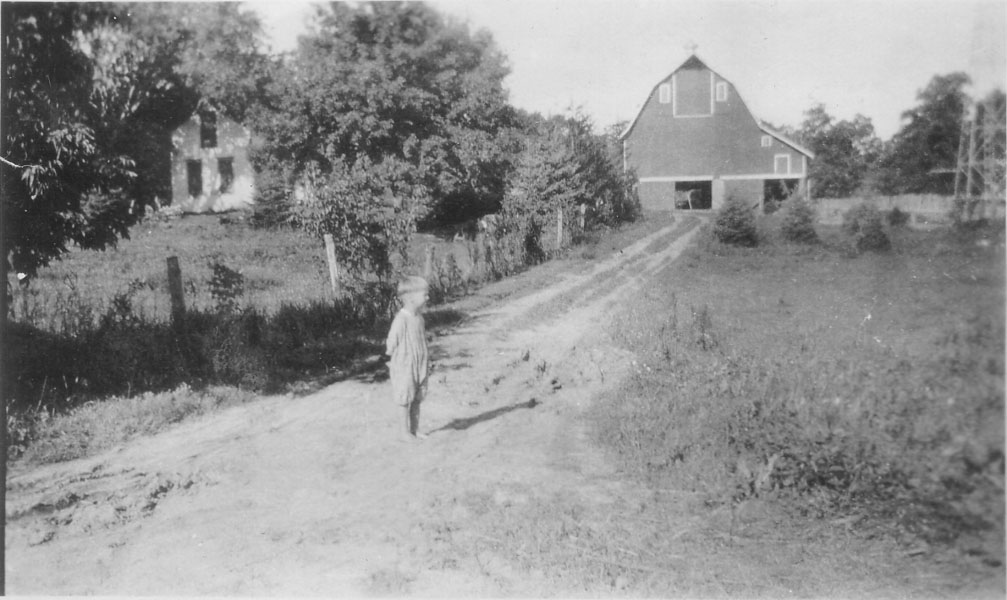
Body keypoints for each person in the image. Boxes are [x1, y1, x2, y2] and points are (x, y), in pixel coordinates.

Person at [386, 276, 430, 440]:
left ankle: (414, 429)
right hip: (405, 363)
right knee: (405, 397)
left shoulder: (419, 318)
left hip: (420, 362)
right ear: (411, 297)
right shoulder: (401, 319)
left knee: (418, 396)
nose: (428, 298)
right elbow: (392, 339)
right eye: (424, 295)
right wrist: (390, 355)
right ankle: (404, 432)